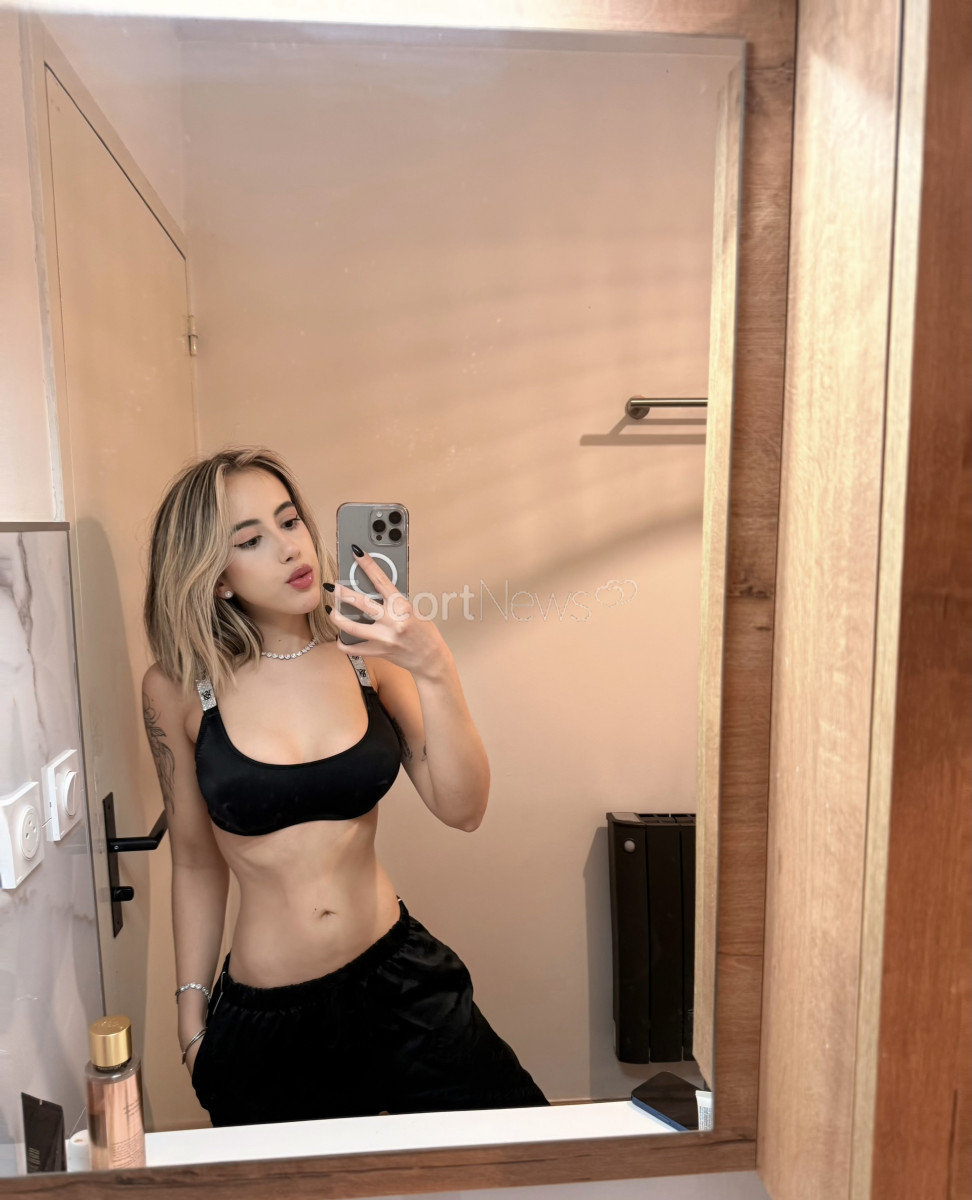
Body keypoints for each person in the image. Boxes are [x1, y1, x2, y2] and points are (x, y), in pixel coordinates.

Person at [141, 446, 547, 1126]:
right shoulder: (179, 687)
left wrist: (434, 667)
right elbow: (195, 860)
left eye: (289, 521)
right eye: (250, 539)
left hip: (401, 984)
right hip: (270, 1021)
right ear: (215, 578)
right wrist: (190, 1020)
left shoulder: (364, 653)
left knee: (522, 1155)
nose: (289, 548)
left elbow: (464, 808)